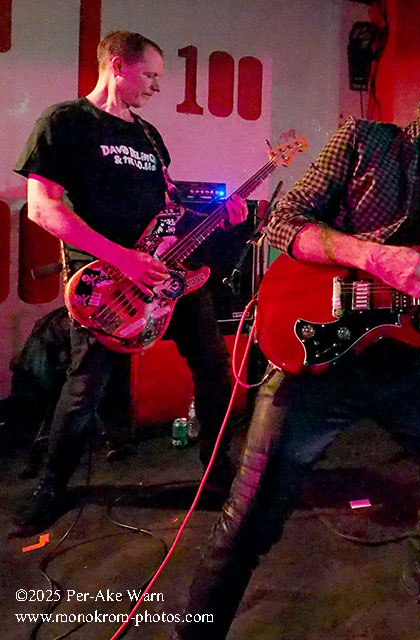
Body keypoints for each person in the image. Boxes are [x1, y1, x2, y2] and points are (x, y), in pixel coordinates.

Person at [173, 59, 420, 640]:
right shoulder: (364, 141)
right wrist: (373, 257)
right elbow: (283, 222)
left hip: (409, 367)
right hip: (315, 358)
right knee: (246, 525)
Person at [12, 31, 248, 537]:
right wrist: (124, 260)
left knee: (213, 368)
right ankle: (50, 489)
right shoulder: (65, 122)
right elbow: (42, 208)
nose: (157, 88)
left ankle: (217, 473)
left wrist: (217, 217)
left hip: (164, 276)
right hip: (105, 284)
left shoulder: (148, 135)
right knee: (85, 388)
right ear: (118, 67)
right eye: (151, 76)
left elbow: (168, 214)